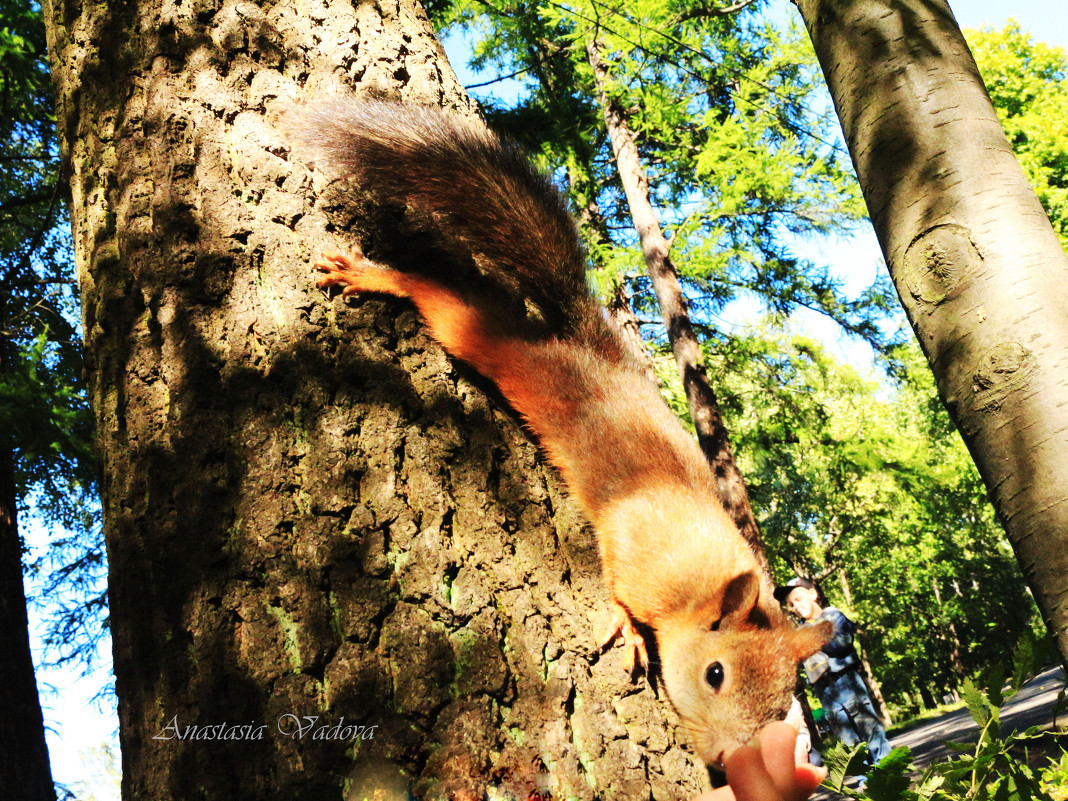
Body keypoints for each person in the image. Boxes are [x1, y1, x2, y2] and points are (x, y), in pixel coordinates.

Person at [774, 578, 891, 769]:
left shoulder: (832, 615)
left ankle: (887, 767)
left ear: (813, 594)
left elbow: (842, 644)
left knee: (868, 727)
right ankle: (865, 777)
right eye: (791, 605)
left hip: (846, 681)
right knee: (845, 736)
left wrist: (814, 638)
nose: (796, 606)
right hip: (824, 690)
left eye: (798, 599)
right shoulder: (800, 631)